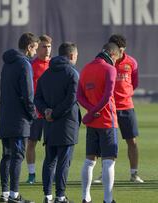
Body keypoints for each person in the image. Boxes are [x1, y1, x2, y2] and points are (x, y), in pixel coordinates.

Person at [35, 42, 80, 203]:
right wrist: (55, 113)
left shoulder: (46, 74)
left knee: (49, 161)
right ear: (72, 56)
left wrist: (46, 111)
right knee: (63, 162)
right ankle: (60, 196)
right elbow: (71, 100)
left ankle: (47, 196)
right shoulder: (72, 74)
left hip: (49, 124)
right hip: (66, 124)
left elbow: (37, 98)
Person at [0, 32, 39, 203]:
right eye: (35, 48)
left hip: (5, 116)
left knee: (7, 155)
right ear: (29, 47)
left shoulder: (7, 63)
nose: (35, 53)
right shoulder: (24, 64)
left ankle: (5, 194)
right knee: (17, 156)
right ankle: (14, 195)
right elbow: (28, 94)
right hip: (19, 119)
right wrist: (32, 113)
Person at [78, 43, 120, 203]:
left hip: (92, 121)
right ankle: (108, 200)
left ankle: (85, 197)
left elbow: (79, 96)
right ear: (112, 54)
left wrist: (90, 111)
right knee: (109, 161)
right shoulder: (110, 69)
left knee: (89, 160)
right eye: (116, 58)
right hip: (107, 120)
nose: (115, 62)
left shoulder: (86, 68)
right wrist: (96, 110)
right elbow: (108, 95)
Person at [109, 34, 143, 182]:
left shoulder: (132, 62)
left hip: (127, 106)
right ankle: (105, 172)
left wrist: (125, 94)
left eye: (121, 50)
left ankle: (134, 174)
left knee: (132, 141)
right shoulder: (107, 62)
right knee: (108, 142)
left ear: (124, 49)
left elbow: (134, 83)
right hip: (109, 107)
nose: (118, 53)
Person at [26, 34, 52, 184]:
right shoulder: (31, 65)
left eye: (49, 46)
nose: (47, 49)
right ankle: (31, 174)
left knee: (51, 144)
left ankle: (50, 173)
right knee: (31, 143)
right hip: (35, 112)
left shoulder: (54, 65)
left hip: (50, 113)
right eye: (44, 46)